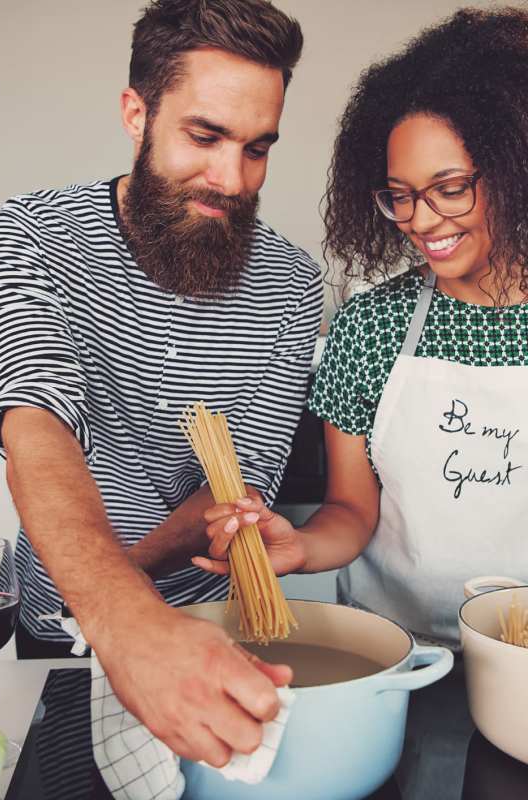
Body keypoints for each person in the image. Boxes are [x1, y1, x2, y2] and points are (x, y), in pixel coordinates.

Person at [0, 0, 322, 767]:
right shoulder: (34, 235)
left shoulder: (293, 284)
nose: (232, 178)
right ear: (137, 113)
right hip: (64, 631)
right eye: (204, 136)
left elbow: (238, 489)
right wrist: (122, 617)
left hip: (215, 630)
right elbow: (37, 429)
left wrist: (130, 600)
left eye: (258, 147)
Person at [196, 7, 528, 796]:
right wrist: (298, 546)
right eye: (401, 196)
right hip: (397, 671)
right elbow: (353, 509)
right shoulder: (376, 327)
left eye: (449, 188)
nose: (422, 222)